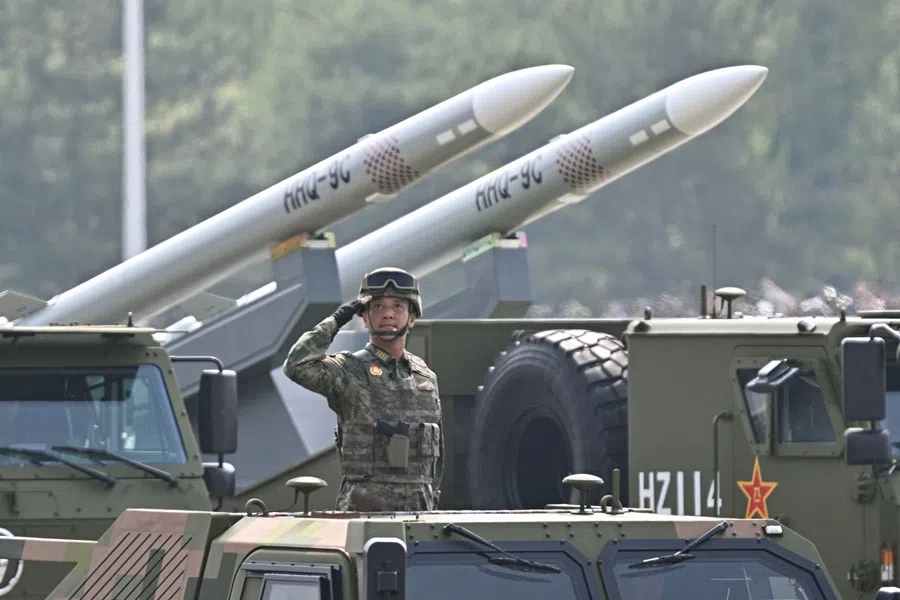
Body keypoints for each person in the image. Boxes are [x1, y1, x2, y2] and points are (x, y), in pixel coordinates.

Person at [282, 267, 443, 512]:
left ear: (412, 317)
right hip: (362, 515)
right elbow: (296, 365)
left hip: (419, 515)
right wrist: (337, 319)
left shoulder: (425, 376)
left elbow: (436, 455)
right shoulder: (348, 370)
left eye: (398, 306)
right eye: (378, 306)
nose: (388, 314)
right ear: (365, 316)